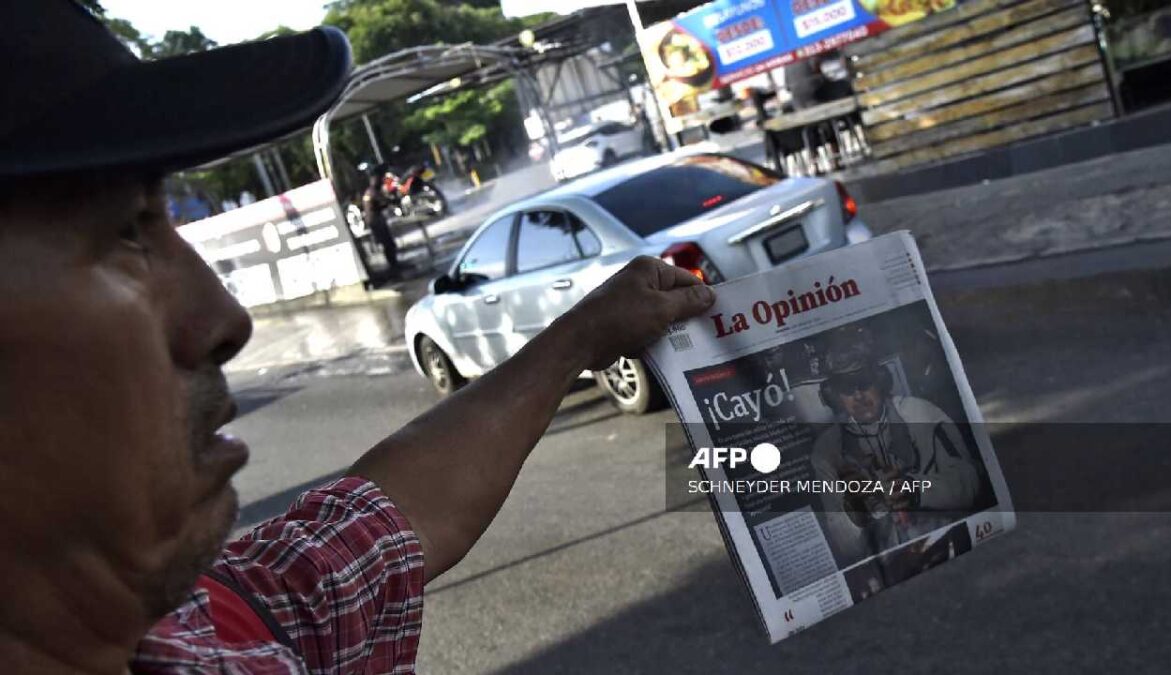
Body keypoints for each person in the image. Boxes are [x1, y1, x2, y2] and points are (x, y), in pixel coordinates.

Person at [0, 3, 717, 672]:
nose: (225, 318)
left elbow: (381, 523)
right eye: (126, 232)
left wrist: (583, 335)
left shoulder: (208, 628)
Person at [810, 326, 983, 565]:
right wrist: (858, 514)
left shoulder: (922, 412)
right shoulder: (826, 451)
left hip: (946, 545)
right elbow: (844, 546)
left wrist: (917, 489)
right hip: (891, 565)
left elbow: (972, 482)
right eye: (847, 387)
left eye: (864, 381)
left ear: (881, 380)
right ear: (833, 396)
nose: (859, 395)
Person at [363, 163, 403, 276]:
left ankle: (394, 265)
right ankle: (393, 267)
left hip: (376, 220)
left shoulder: (370, 191)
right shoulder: (373, 192)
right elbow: (386, 201)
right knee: (388, 245)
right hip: (376, 222)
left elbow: (381, 205)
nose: (381, 181)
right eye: (380, 178)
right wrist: (396, 200)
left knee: (389, 244)